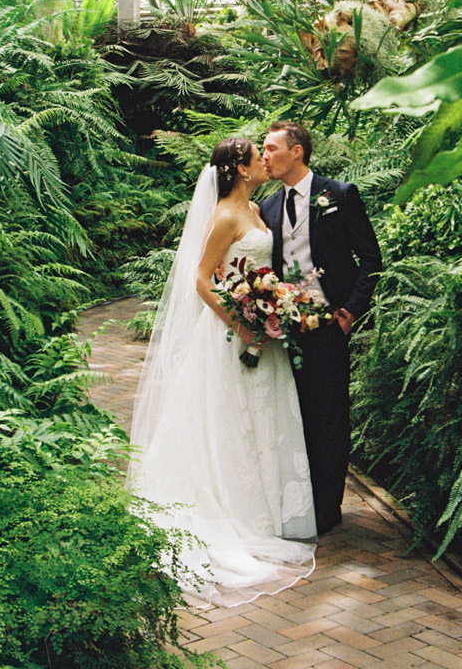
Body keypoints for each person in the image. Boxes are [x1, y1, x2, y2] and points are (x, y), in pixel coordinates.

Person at [127, 137, 316, 608]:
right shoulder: (226, 216)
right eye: (257, 155)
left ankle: (270, 512)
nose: (263, 159)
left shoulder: (257, 210)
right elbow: (201, 276)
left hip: (263, 333)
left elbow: (262, 268)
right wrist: (240, 320)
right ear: (241, 167)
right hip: (231, 336)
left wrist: (273, 307)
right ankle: (233, 511)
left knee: (266, 417)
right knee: (229, 418)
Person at [261, 121, 382, 535]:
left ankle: (327, 511)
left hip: (330, 326)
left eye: (272, 148)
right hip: (286, 330)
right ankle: (297, 504)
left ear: (296, 152)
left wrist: (350, 311)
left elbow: (370, 257)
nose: (265, 157)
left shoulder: (340, 195)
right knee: (292, 417)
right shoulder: (269, 208)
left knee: (329, 417)